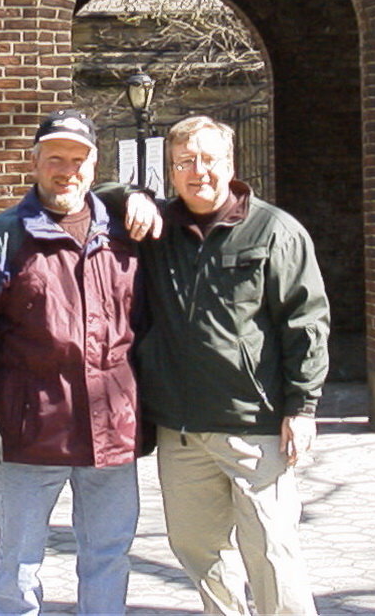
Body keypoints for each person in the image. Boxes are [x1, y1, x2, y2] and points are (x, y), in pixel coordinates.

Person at [0, 109, 149, 616]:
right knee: (20, 563)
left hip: (112, 432)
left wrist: (133, 195)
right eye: (55, 159)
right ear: (34, 163)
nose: (66, 171)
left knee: (108, 556)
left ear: (94, 166)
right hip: (28, 432)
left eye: (77, 160)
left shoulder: (128, 237)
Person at [139, 115, 330, 616]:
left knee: (271, 550)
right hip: (181, 431)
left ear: (230, 163)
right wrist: (129, 197)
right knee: (198, 550)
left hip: (256, 427)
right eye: (184, 162)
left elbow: (306, 323)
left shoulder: (275, 231)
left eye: (208, 159)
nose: (197, 171)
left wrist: (303, 407)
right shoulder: (158, 231)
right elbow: (101, 196)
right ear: (171, 170)